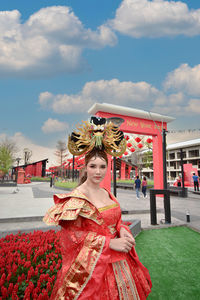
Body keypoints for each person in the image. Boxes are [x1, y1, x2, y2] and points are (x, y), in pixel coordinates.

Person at [43, 117, 152, 300]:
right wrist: (108, 243)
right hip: (93, 270)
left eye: (102, 166)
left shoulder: (107, 193)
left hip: (121, 262)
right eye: (93, 166)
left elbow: (115, 221)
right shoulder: (75, 198)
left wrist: (123, 230)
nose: (98, 171)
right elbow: (73, 236)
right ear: (85, 167)